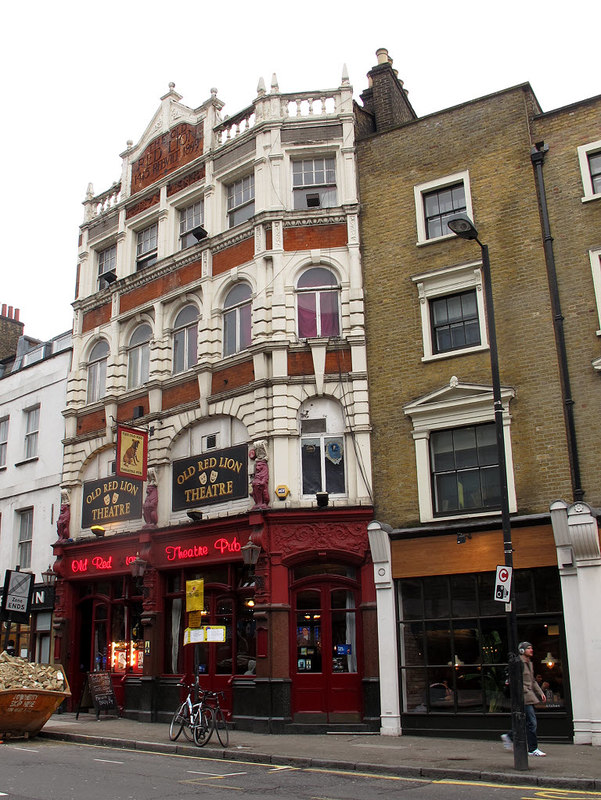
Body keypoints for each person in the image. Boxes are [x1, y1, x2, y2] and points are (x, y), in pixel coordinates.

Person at [501, 641, 547, 757]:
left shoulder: (529, 663)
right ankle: (532, 749)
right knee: (531, 722)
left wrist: (540, 692)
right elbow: (515, 680)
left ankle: (510, 736)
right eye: (528, 648)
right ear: (522, 650)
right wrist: (525, 690)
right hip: (524, 697)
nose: (531, 650)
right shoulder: (518, 663)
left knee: (526, 722)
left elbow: (532, 680)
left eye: (531, 648)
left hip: (529, 695)